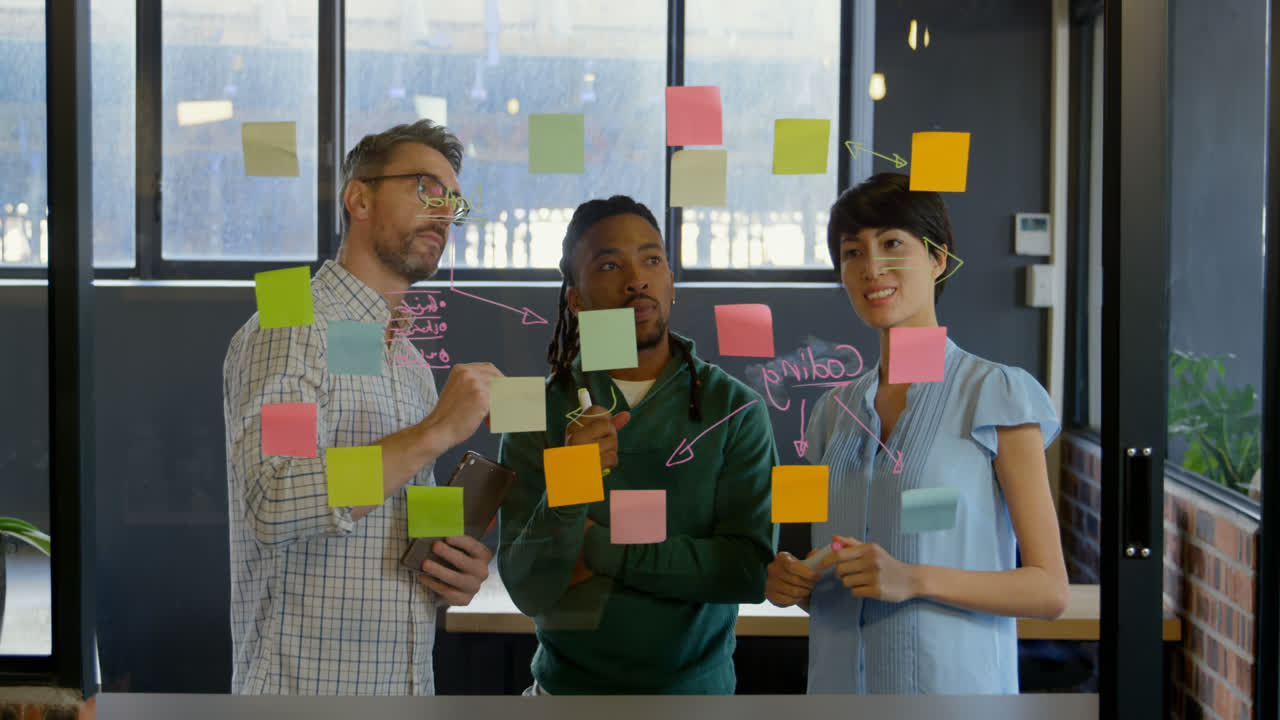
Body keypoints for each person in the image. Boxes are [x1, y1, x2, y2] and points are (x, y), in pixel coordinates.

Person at [222, 119, 503, 695]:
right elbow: (276, 495)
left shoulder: (409, 363)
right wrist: (436, 431)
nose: (445, 212)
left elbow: (388, 515)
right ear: (359, 199)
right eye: (426, 187)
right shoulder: (291, 321)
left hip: (403, 687)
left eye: (454, 199)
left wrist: (452, 563)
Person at [764, 173, 1069, 694]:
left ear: (937, 259)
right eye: (852, 252)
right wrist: (790, 580)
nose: (871, 267)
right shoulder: (831, 413)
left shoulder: (997, 394)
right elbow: (826, 564)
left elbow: (1049, 591)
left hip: (955, 695)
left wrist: (914, 578)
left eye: (892, 244)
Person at [496, 195, 778, 695]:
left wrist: (598, 548)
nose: (637, 279)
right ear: (577, 299)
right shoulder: (532, 410)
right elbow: (528, 589)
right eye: (609, 264)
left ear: (671, 281)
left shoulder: (735, 409)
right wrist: (572, 482)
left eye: (652, 259)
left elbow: (747, 572)